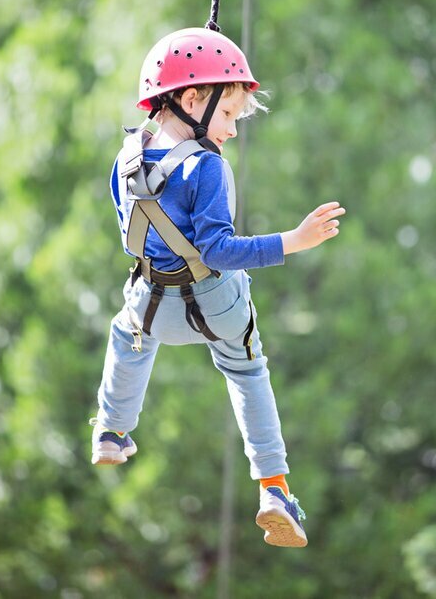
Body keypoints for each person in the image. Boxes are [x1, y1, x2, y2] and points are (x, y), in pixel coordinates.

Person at [90, 27, 345, 548]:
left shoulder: (125, 159)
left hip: (151, 302)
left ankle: (112, 431)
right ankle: (274, 489)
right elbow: (217, 251)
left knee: (126, 336)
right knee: (248, 373)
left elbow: (129, 237)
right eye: (228, 115)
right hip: (214, 304)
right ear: (190, 99)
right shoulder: (207, 167)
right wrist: (292, 241)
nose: (230, 130)